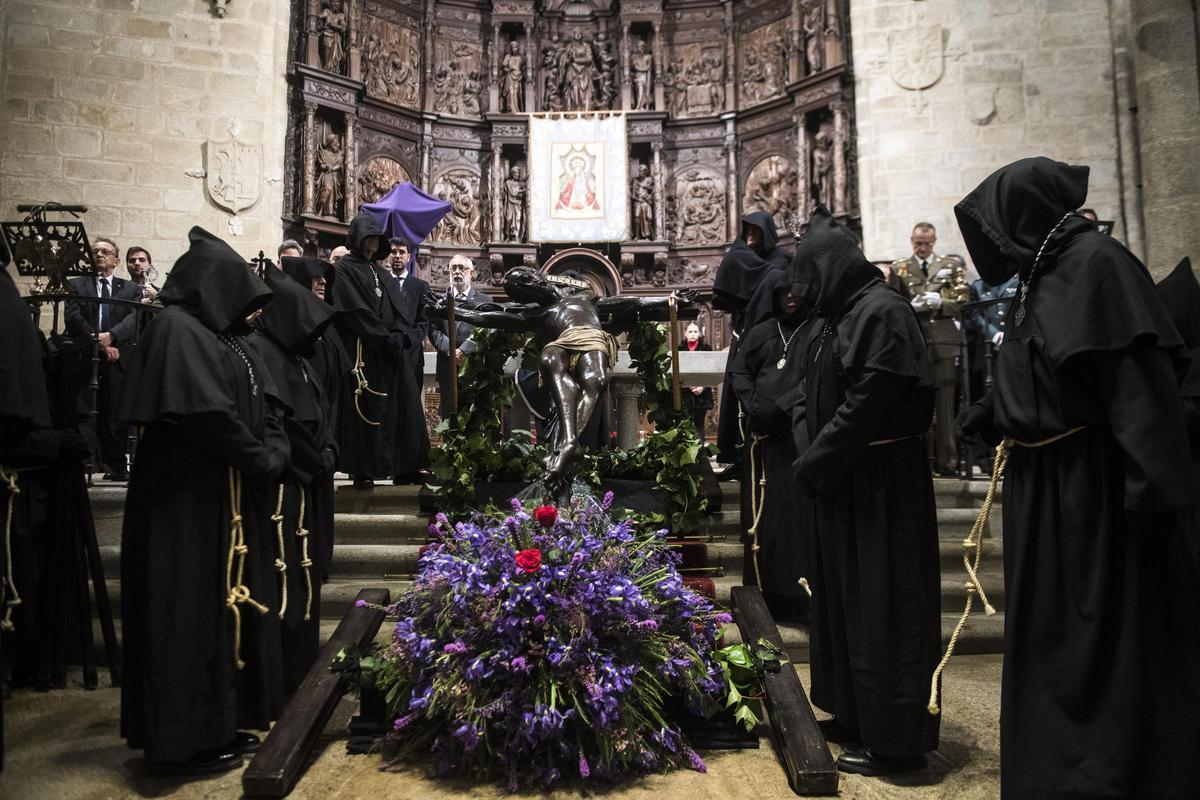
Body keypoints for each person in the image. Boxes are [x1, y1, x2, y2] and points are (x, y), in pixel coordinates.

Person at [954, 157, 1200, 800]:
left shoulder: (1098, 265)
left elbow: (1140, 394)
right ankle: (1055, 775)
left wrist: (1150, 499)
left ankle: (1103, 776)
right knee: (1056, 647)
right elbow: (1044, 369)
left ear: (1026, 213)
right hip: (1049, 491)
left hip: (1091, 496)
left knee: (1100, 650)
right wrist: (992, 413)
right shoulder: (1048, 273)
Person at [117, 227, 290, 776]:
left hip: (211, 497)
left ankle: (212, 723)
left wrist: (270, 445)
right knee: (182, 609)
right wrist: (260, 459)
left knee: (208, 610)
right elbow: (206, 414)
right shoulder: (175, 327)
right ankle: (179, 738)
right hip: (182, 505)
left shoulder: (208, 334)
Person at [793, 207, 941, 776]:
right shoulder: (845, 314)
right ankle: (855, 712)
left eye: (811, 278)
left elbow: (868, 404)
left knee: (885, 604)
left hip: (881, 483)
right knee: (845, 602)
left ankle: (896, 742)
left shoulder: (883, 311)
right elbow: (816, 392)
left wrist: (817, 462)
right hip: (848, 479)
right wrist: (817, 458)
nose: (805, 292)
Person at [437, 267, 694, 502]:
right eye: (522, 290)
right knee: (549, 357)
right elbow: (492, 317)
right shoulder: (536, 314)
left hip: (589, 338)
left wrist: (668, 300)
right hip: (561, 343)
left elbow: (633, 302)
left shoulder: (585, 298)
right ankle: (569, 443)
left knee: (596, 380)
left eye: (527, 281)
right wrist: (454, 310)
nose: (530, 288)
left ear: (538, 277)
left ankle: (567, 443)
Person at [248, 266, 337, 695]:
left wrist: (330, 451)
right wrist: (316, 457)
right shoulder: (262, 352)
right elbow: (279, 420)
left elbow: (320, 412)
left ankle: (302, 671)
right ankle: (285, 678)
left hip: (311, 479)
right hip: (287, 486)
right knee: (288, 582)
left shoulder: (295, 357)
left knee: (307, 578)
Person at [730, 272, 815, 623]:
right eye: (783, 292)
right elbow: (740, 371)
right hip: (762, 441)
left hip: (795, 439)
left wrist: (780, 408)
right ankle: (764, 596)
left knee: (794, 521)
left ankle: (798, 598)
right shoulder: (762, 332)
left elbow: (815, 379)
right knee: (762, 523)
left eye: (796, 289)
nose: (790, 296)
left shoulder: (816, 331)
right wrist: (753, 407)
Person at [280, 255, 349, 578]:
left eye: (325, 278)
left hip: (326, 434)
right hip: (306, 443)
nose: (323, 283)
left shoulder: (324, 322)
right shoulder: (291, 329)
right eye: (315, 277)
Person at [712, 211, 791, 469]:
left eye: (755, 231)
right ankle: (737, 455)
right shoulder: (743, 258)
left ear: (767, 232)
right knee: (737, 397)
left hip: (772, 342)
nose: (749, 237)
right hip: (743, 336)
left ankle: (757, 456)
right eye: (746, 232)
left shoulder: (781, 260)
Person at [64, 237, 145, 480]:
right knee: (83, 409)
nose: (99, 254)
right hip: (84, 354)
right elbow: (72, 315)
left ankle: (117, 465)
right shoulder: (77, 284)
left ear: (116, 260)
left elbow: (134, 318)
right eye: (95, 251)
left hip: (117, 356)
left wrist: (112, 337)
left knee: (115, 413)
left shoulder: (130, 289)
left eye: (105, 251)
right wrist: (97, 341)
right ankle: (82, 464)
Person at [892, 223, 963, 475]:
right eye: (918, 243)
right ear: (911, 240)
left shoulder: (951, 266)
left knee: (945, 405)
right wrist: (910, 306)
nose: (922, 248)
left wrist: (942, 302)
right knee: (917, 403)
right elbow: (893, 305)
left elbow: (964, 302)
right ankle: (921, 461)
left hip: (944, 340)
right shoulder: (898, 268)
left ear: (934, 241)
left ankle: (948, 461)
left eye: (927, 243)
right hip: (916, 341)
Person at [382, 237, 430, 484]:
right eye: (393, 252)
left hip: (411, 357)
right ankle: (390, 463)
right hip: (387, 356)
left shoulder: (420, 286)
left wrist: (409, 340)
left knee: (410, 412)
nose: (397, 256)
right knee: (388, 410)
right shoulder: (381, 282)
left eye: (401, 252)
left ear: (410, 256)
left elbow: (424, 323)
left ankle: (410, 463)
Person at [429, 254, 486, 420]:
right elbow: (432, 330)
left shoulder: (484, 300)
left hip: (474, 368)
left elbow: (485, 329)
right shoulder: (438, 301)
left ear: (471, 273)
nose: (457, 272)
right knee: (450, 420)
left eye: (462, 268)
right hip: (448, 368)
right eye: (453, 268)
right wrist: (451, 350)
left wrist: (464, 350)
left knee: (474, 420)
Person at [678, 321, 713, 436]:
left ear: (699, 334)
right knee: (685, 426)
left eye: (695, 331)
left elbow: (710, 370)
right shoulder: (679, 349)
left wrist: (702, 386)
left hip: (702, 393)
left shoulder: (706, 349)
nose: (692, 334)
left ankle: (700, 453)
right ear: (685, 333)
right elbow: (677, 371)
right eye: (690, 331)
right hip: (685, 391)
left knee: (699, 426)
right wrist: (689, 384)